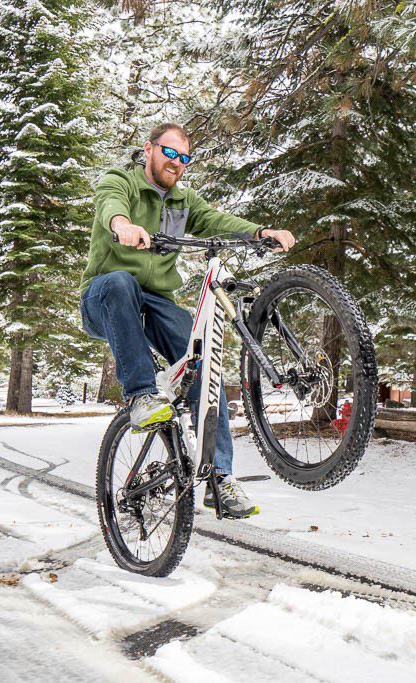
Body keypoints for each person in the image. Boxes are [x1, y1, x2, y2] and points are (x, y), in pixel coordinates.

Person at [79, 123, 295, 518]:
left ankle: (220, 480)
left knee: (205, 368)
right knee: (120, 282)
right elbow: (111, 205)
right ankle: (142, 395)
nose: (176, 164)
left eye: (184, 158)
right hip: (106, 299)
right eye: (169, 153)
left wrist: (260, 232)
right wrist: (123, 227)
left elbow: (215, 220)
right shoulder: (121, 181)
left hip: (157, 304)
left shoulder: (183, 201)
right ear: (149, 149)